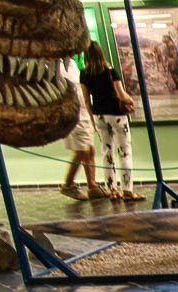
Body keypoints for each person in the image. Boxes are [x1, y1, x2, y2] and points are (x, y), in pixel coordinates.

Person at [80, 41, 143, 202]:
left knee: (106, 152)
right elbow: (121, 95)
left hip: (99, 115)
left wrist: (92, 119)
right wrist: (131, 100)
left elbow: (87, 100)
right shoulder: (110, 72)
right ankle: (127, 190)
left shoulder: (84, 74)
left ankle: (112, 189)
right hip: (116, 115)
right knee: (124, 152)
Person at [58, 57, 107, 201]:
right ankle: (68, 184)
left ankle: (92, 185)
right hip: (72, 111)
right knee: (82, 150)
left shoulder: (71, 63)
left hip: (83, 110)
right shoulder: (53, 67)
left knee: (89, 149)